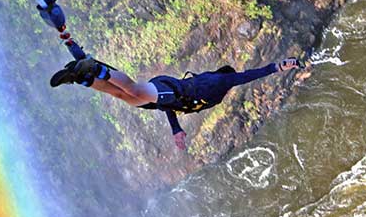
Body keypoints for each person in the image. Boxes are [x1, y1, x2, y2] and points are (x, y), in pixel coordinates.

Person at [49, 55, 301, 150]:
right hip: (172, 88)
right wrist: (280, 66)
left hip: (168, 99)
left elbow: (171, 108)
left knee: (121, 95)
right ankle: (95, 67)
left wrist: (176, 129)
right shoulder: (223, 80)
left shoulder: (213, 92)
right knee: (133, 90)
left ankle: (81, 78)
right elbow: (250, 75)